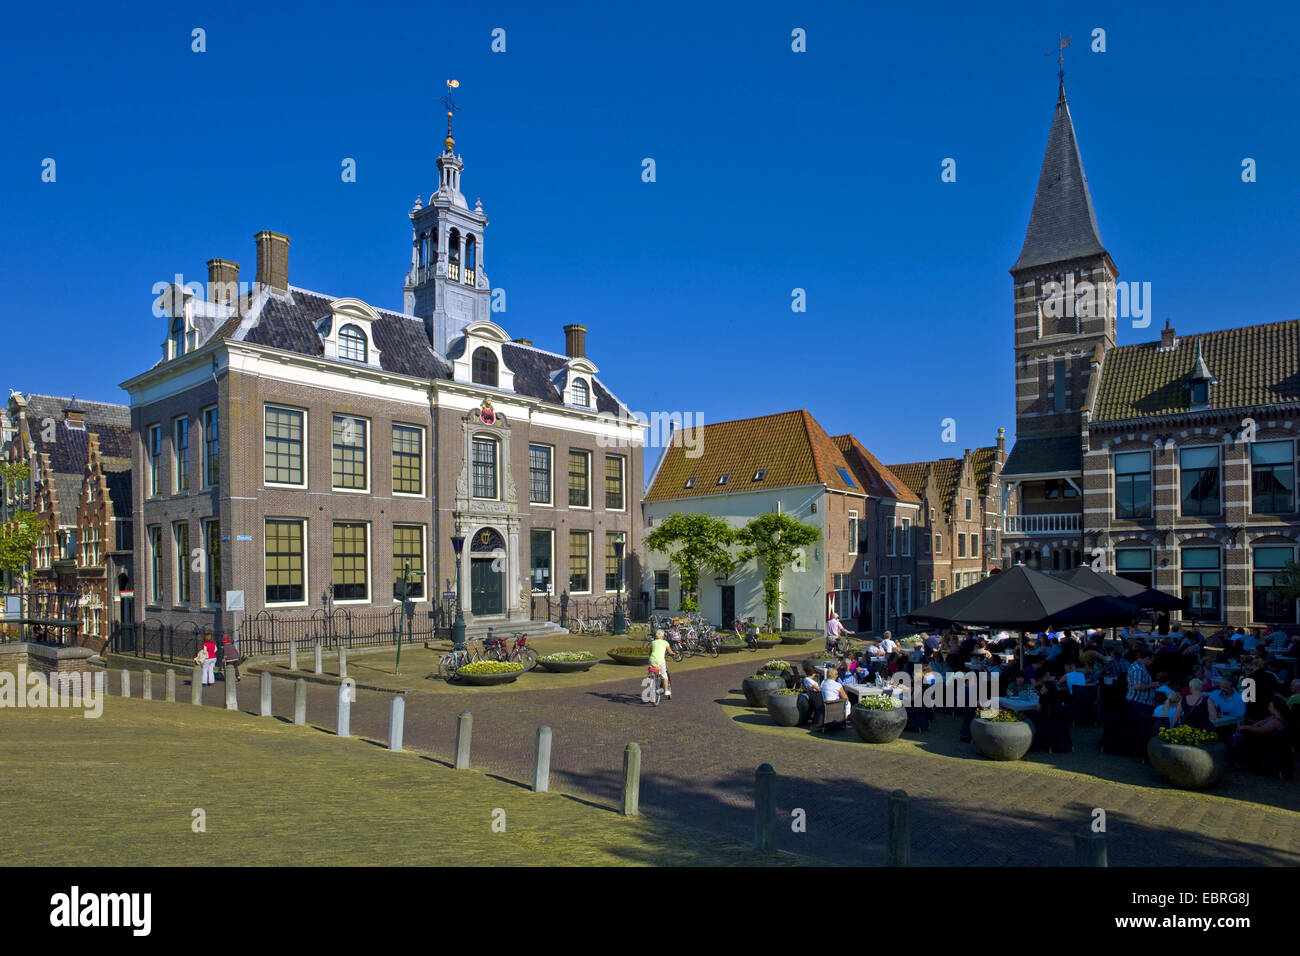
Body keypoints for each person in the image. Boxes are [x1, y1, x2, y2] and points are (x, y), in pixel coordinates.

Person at [1126, 650, 1159, 720]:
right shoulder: (1138, 669)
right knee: (1141, 726)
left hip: (1139, 703)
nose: (1152, 663)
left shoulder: (1138, 666)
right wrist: (1152, 685)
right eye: (1151, 660)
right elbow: (1138, 686)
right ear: (1147, 658)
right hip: (1139, 703)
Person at [648, 629, 672, 699]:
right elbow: (670, 652)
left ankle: (651, 678)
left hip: (652, 660)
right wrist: (673, 653)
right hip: (660, 661)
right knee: (665, 676)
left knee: (653, 670)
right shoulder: (665, 642)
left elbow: (650, 652)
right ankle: (666, 691)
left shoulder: (652, 642)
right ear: (662, 636)